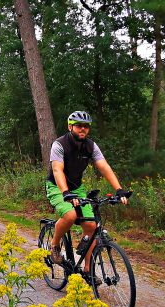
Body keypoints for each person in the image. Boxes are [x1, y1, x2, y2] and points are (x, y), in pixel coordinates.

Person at [45, 110, 130, 267]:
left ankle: (87, 270)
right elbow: (57, 170)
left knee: (91, 226)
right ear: (70, 127)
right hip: (57, 187)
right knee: (70, 216)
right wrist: (66, 193)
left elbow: (103, 166)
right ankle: (54, 245)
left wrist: (119, 189)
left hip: (77, 188)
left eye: (86, 126)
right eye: (79, 126)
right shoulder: (59, 144)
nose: (83, 129)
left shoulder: (91, 146)